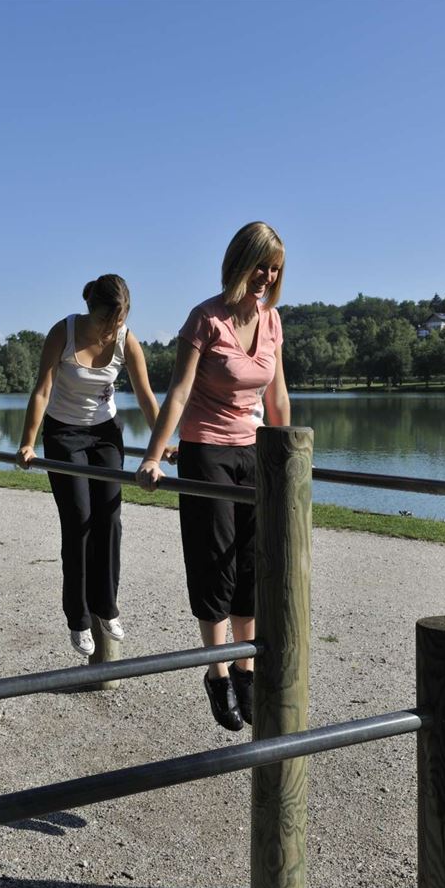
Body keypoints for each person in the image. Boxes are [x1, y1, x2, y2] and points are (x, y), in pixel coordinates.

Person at [136, 222, 290, 731]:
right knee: (214, 563)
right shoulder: (205, 319)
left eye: (275, 267)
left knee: (251, 562)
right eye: (261, 265)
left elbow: (277, 398)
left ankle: (246, 670)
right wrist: (154, 456)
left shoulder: (272, 322)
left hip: (253, 455)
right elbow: (177, 393)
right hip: (207, 453)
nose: (267, 276)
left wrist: (286, 459)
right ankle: (217, 674)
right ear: (239, 263)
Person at [17, 273, 168, 658]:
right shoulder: (62, 333)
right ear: (90, 309)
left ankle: (107, 607)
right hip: (64, 433)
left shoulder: (125, 339)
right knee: (80, 519)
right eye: (106, 319)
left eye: (119, 319)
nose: (111, 328)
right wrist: (27, 442)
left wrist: (162, 443)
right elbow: (43, 389)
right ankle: (79, 618)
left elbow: (147, 395)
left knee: (110, 519)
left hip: (105, 433)